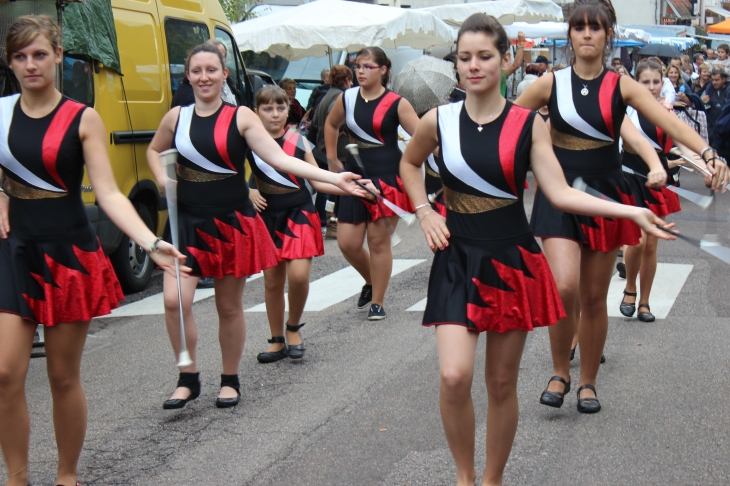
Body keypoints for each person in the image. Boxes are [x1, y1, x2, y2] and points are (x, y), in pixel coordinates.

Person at [399, 13, 674, 486]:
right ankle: (464, 477)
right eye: (465, 58)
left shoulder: (528, 124)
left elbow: (561, 192)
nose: (474, 65)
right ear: (457, 65)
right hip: (458, 258)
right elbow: (409, 163)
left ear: (507, 60)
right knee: (453, 377)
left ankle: (491, 479)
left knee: (501, 383)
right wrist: (424, 210)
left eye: (485, 56)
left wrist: (630, 212)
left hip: (511, 261)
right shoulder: (437, 120)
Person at [515, 0, 728, 414]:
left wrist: (709, 154)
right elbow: (506, 124)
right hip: (559, 194)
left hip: (606, 197)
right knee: (564, 286)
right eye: (580, 28)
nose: (588, 35)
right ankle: (560, 371)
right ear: (570, 35)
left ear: (608, 34)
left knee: (594, 296)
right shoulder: (548, 84)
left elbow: (669, 125)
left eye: (596, 27)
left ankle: (588, 381)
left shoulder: (620, 86)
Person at [0, 15, 187, 486]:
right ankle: (17, 478)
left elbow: (107, 193)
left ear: (59, 56)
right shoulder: (0, 113)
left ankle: (67, 476)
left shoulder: (81, 117)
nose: (30, 65)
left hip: (68, 254)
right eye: (20, 57)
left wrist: (151, 241)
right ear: (10, 62)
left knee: (62, 377)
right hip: (13, 251)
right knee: (4, 374)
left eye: (39, 54)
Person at [147, 44, 368, 410]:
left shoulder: (242, 117)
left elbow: (281, 158)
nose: (204, 77)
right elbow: (155, 151)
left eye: (211, 70)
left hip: (231, 221)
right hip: (186, 221)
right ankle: (187, 377)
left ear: (224, 75)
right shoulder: (176, 117)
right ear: (187, 75)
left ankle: (230, 379)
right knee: (174, 301)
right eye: (196, 71)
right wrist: (161, 180)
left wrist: (335, 178)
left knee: (228, 307)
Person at [248, 86, 368, 362]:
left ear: (288, 110)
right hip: (268, 215)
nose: (275, 115)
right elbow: (229, 176)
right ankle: (276, 339)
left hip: (298, 212)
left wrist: (352, 188)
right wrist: (248, 191)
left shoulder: (299, 141)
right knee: (272, 282)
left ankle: (293, 328)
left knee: (299, 276)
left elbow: (317, 179)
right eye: (267, 109)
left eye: (280, 108)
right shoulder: (249, 142)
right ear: (256, 112)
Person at [324, 46, 419, 321]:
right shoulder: (347, 97)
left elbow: (422, 136)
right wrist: (332, 159)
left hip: (388, 178)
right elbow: (331, 125)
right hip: (355, 177)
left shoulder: (397, 102)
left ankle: (378, 300)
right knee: (347, 243)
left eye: (367, 66)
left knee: (378, 242)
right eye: (358, 66)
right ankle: (370, 280)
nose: (361, 71)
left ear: (383, 70)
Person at [621, 60, 711, 322]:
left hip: (657, 179)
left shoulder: (667, 113)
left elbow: (684, 145)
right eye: (645, 82)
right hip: (630, 178)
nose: (650, 87)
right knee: (636, 240)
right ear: (636, 82)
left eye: (656, 82)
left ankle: (644, 303)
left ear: (664, 83)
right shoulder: (625, 111)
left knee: (650, 246)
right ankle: (629, 289)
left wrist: (706, 165)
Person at [311, 65, 354, 236]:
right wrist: (342, 128)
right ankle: (330, 222)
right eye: (350, 80)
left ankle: (321, 222)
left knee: (324, 189)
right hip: (336, 150)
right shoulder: (338, 96)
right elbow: (332, 119)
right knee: (333, 190)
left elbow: (315, 122)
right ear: (345, 80)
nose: (351, 83)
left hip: (321, 147)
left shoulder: (325, 95)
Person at [702, 69, 729, 134]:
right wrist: (703, 102)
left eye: (717, 80)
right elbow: (702, 109)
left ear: (723, 80)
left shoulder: (728, 91)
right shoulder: (708, 91)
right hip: (712, 130)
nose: (714, 82)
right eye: (712, 80)